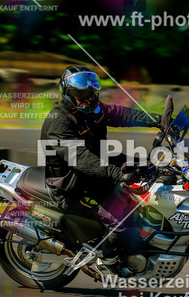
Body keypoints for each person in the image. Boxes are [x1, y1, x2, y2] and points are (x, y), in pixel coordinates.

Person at [40, 66, 161, 272]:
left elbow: (120, 114)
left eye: (90, 95)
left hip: (93, 175)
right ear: (67, 93)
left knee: (147, 168)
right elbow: (81, 159)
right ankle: (107, 261)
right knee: (121, 220)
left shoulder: (91, 110)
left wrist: (157, 120)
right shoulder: (59, 123)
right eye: (80, 95)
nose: (86, 100)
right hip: (72, 188)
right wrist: (117, 173)